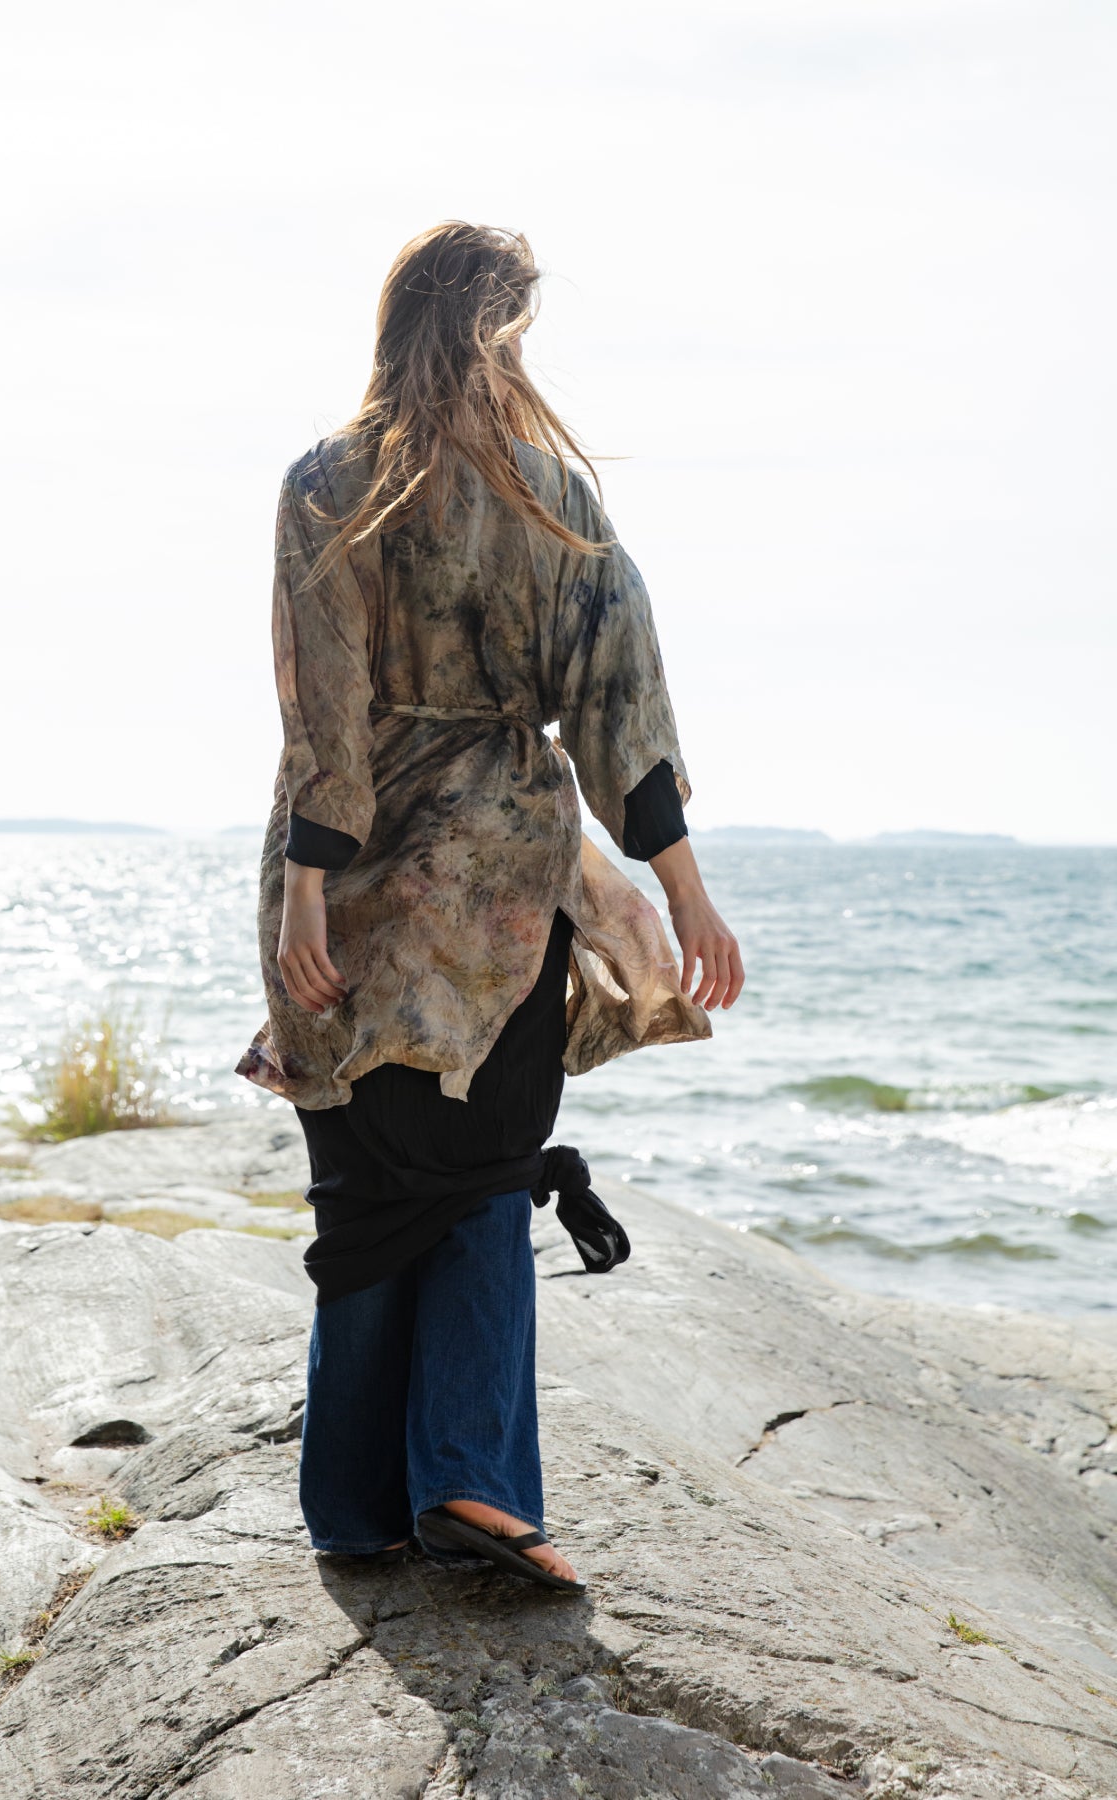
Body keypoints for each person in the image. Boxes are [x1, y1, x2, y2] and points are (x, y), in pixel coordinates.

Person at [236, 221, 744, 1593]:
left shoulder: (322, 482)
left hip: (349, 879)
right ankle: (465, 1477)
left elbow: (320, 717)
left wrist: (300, 900)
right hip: (505, 888)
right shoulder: (553, 495)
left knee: (364, 1180)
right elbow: (625, 703)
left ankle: (356, 1510)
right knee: (473, 1172)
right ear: (503, 329)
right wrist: (682, 892)